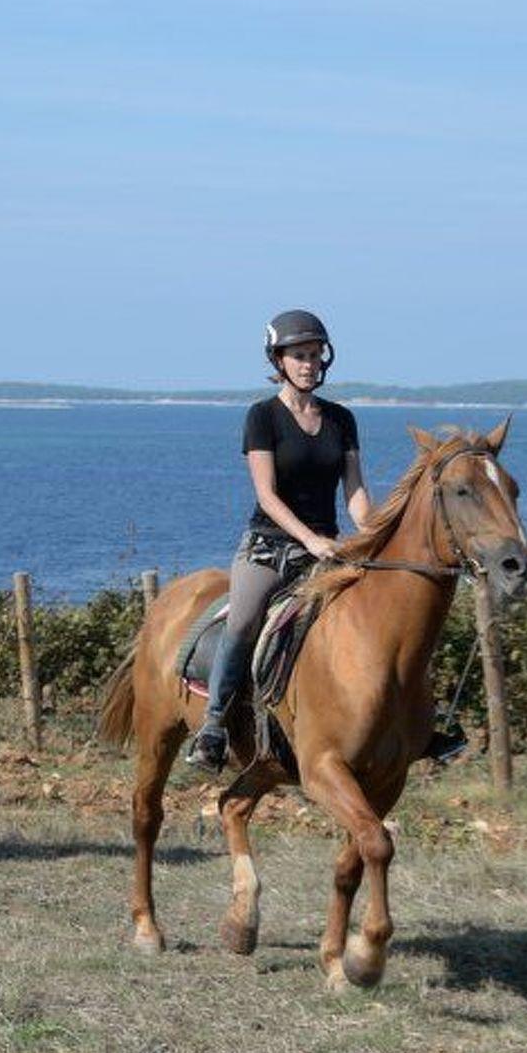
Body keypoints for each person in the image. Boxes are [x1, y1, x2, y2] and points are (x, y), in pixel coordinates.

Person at [185, 310, 372, 774]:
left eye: (315, 355)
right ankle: (213, 727)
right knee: (244, 621)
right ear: (279, 361)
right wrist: (311, 539)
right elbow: (267, 496)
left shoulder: (342, 419)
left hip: (325, 550)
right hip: (269, 548)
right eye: (299, 356)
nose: (309, 364)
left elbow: (355, 494)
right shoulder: (263, 416)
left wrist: (373, 534)